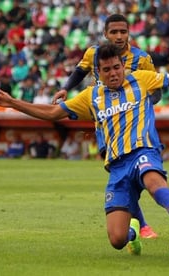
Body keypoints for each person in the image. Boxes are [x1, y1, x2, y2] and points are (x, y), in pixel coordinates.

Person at [0, 43, 169, 255]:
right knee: (117, 239)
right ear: (99, 73)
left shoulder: (142, 79)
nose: (113, 73)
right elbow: (53, 112)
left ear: (122, 65)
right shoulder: (91, 96)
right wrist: (12, 103)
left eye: (116, 67)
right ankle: (133, 232)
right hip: (116, 167)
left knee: (155, 183)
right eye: (106, 70)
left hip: (143, 151)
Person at [52, 13, 161, 239]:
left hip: (132, 123)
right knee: (117, 171)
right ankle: (139, 224)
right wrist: (65, 88)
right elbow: (80, 72)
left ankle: (138, 225)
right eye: (114, 32)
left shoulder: (142, 59)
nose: (119, 36)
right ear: (105, 33)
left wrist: (135, 106)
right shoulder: (93, 54)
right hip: (105, 123)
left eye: (123, 31)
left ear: (129, 32)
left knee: (135, 173)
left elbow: (156, 92)